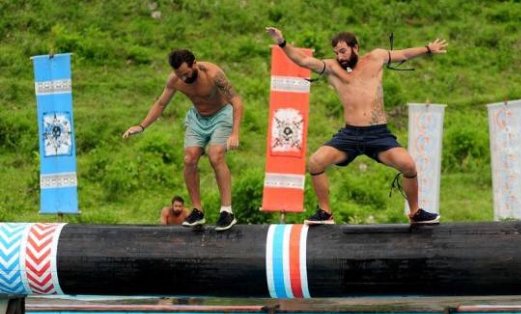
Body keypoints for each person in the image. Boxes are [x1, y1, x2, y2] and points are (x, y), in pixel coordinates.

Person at [265, 27, 447, 225]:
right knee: (316, 162)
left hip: (378, 134)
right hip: (350, 135)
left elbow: (403, 54)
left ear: (355, 47)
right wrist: (282, 42)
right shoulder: (332, 68)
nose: (340, 57)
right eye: (336, 53)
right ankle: (325, 213)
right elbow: (303, 60)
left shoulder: (376, 58)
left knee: (409, 165)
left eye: (343, 51)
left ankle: (415, 212)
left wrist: (427, 48)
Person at [123, 49, 243, 231]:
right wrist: (141, 126)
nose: (184, 78)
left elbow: (237, 102)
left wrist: (235, 133)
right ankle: (197, 211)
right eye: (180, 75)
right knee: (189, 158)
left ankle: (227, 211)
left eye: (186, 74)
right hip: (198, 117)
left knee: (215, 155)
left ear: (194, 63)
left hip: (222, 114)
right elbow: (161, 104)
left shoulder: (213, 74)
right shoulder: (175, 80)